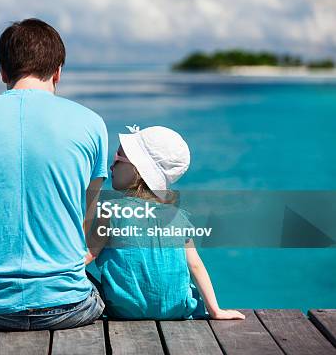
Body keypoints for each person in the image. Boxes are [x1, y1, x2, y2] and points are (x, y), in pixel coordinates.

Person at [0, 18, 107, 330]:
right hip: (67, 306)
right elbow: (87, 211)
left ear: (3, 71)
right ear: (57, 72)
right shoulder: (92, 124)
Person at [87, 125, 245, 320]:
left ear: (137, 169)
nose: (112, 165)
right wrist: (216, 311)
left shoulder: (111, 212)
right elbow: (195, 266)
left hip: (124, 311)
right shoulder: (178, 217)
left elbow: (87, 255)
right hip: (176, 310)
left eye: (118, 158)